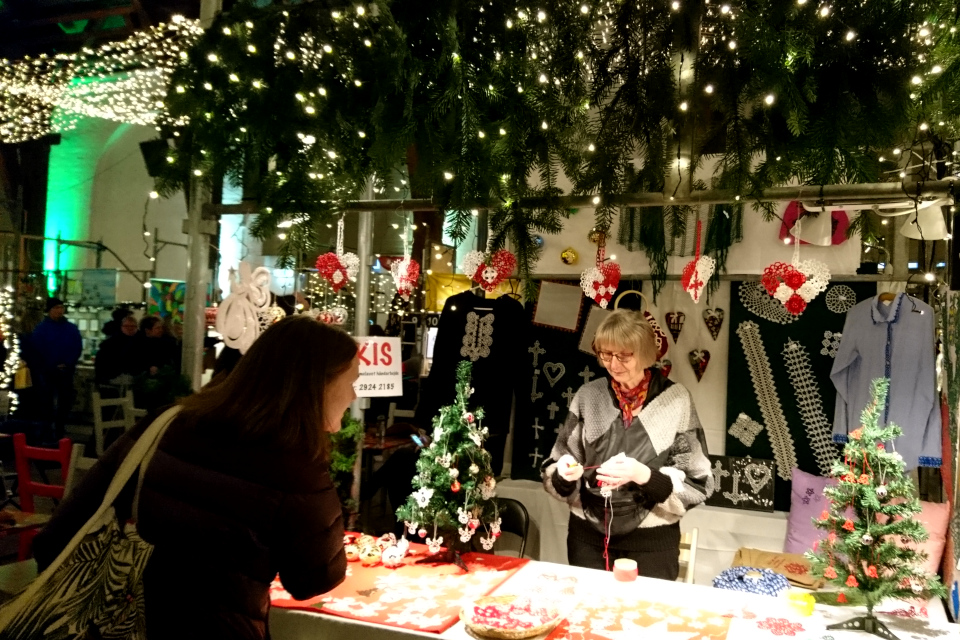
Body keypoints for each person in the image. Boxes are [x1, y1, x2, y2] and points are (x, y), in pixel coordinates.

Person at [33, 316, 358, 639]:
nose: (354, 396)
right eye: (351, 382)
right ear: (317, 385)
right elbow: (314, 579)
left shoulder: (164, 423)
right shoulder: (296, 469)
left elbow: (58, 535)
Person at [540, 309, 713, 580]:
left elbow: (699, 482)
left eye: (623, 355)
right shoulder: (588, 396)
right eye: (605, 354)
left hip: (652, 545)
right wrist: (563, 472)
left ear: (643, 352)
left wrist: (643, 475)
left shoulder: (676, 400)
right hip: (588, 541)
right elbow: (557, 462)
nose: (613, 363)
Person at [30, 298, 82, 437]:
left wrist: (67, 362)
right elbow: (38, 350)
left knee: (64, 401)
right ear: (49, 310)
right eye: (56, 308)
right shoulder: (41, 329)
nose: (59, 310)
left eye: (61, 307)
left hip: (65, 370)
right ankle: (46, 429)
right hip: (48, 371)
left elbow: (77, 347)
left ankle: (60, 427)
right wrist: (52, 364)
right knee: (46, 401)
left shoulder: (71, 329)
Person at [94, 314, 143, 387]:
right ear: (121, 327)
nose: (129, 328)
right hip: (113, 376)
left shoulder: (141, 341)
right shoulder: (111, 343)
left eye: (132, 326)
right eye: (126, 326)